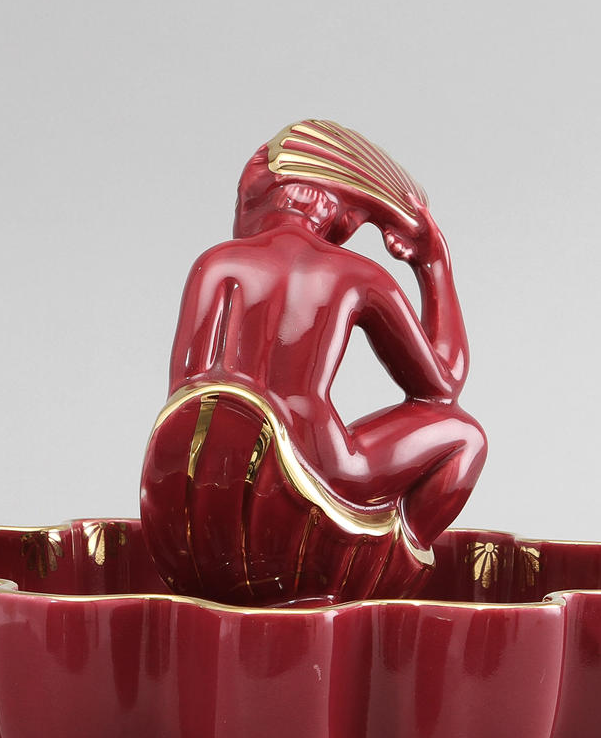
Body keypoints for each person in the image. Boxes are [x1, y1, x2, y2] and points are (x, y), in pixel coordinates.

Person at [142, 120, 486, 601]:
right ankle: (382, 562)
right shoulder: (358, 274)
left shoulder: (215, 263)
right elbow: (442, 387)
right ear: (336, 212)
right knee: (465, 436)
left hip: (187, 492)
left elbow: (187, 391)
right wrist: (433, 266)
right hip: (319, 462)